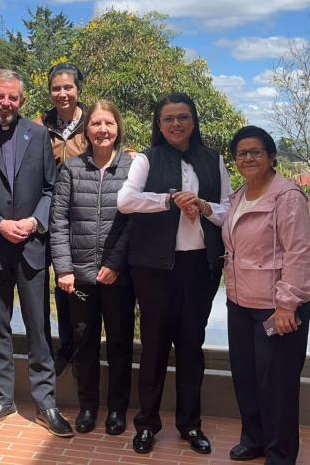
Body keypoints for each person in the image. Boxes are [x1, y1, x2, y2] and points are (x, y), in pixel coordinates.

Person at [0, 69, 73, 437]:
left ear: (21, 100)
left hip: (32, 248)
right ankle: (2, 398)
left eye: (13, 98)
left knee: (39, 328)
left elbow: (51, 190)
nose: (6, 103)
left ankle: (46, 402)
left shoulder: (38, 134)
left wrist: (35, 222)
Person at [117, 92, 232, 455]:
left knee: (190, 347)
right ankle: (147, 424)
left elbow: (229, 210)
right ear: (159, 123)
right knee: (152, 347)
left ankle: (190, 425)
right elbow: (126, 200)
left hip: (200, 266)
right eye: (168, 119)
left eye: (183, 117)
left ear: (194, 120)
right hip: (154, 268)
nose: (176, 124)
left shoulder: (213, 160)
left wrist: (203, 206)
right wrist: (167, 200)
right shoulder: (147, 159)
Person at [223, 126, 310, 465]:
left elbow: (299, 253)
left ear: (271, 156)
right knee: (246, 377)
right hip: (239, 302)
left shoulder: (287, 197)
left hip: (276, 308)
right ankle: (254, 440)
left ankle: (280, 454)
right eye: (241, 153)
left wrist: (287, 304)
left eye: (255, 151)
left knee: (278, 385)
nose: (247, 158)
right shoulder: (239, 194)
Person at [49, 100, 135, 436]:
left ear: (117, 129)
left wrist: (115, 264)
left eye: (108, 124)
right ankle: (88, 407)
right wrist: (64, 269)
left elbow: (135, 222)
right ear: (87, 130)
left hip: (119, 276)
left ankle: (116, 410)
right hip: (79, 276)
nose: (102, 130)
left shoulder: (132, 168)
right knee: (84, 344)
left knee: (119, 344)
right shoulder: (71, 168)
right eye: (96, 124)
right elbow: (58, 221)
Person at [34, 62, 89, 376]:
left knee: (80, 285)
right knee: (58, 281)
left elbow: (116, 145)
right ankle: (63, 346)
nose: (62, 93)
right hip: (50, 215)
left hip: (85, 216)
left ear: (78, 89)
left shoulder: (91, 121)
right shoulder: (40, 125)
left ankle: (82, 347)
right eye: (56, 88)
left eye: (68, 87)